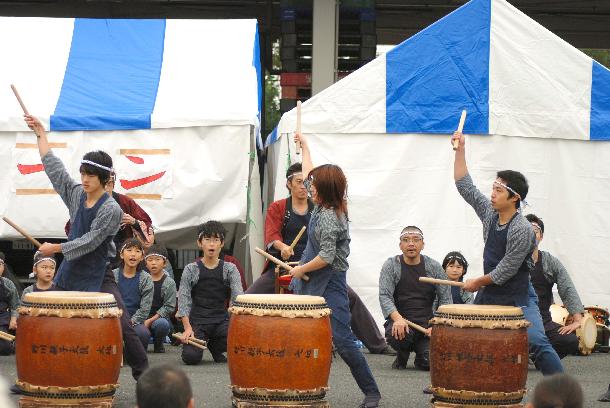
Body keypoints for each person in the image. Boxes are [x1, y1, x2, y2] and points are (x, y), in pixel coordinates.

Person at [24, 114, 148, 380]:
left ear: (105, 180)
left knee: (123, 324)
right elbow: (54, 169)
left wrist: (55, 249)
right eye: (83, 173)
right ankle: (37, 377)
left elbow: (91, 242)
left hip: (98, 274)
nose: (85, 179)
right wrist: (40, 135)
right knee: (45, 320)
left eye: (91, 175)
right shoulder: (77, 194)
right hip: (70, 272)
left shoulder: (111, 209)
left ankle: (147, 378)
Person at [247, 163, 392, 355]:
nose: (302, 186)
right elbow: (271, 235)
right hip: (286, 267)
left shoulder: (318, 208)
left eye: (304, 183)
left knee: (352, 298)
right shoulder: (279, 207)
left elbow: (326, 253)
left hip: (318, 268)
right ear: (288, 184)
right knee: (248, 297)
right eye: (298, 182)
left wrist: (306, 146)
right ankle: (235, 338)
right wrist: (282, 248)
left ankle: (377, 344)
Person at [451, 130, 563, 375]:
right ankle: (455, 383)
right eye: (492, 188)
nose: (492, 194)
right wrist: (461, 149)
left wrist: (475, 283)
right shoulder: (491, 215)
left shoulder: (523, 229)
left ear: (514, 198)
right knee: (463, 337)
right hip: (491, 293)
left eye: (498, 191)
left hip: (518, 296)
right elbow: (465, 186)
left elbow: (504, 271)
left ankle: (563, 390)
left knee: (536, 342)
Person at [291, 133, 381, 408]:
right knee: (302, 335)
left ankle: (372, 392)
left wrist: (300, 269)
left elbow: (326, 258)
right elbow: (308, 173)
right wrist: (305, 145)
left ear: (325, 190)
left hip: (329, 282)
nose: (308, 188)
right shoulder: (322, 202)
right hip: (312, 278)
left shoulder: (331, 217)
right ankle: (302, 386)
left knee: (342, 340)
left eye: (314, 186)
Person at [379, 226, 452, 371]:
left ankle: (421, 356)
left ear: (423, 244)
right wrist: (398, 319)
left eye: (416, 240)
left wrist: (437, 325)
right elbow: (384, 296)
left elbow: (446, 299)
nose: (411, 244)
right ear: (400, 245)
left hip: (426, 326)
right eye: (406, 240)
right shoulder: (391, 265)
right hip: (402, 323)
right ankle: (402, 352)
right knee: (398, 336)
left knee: (429, 364)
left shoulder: (434, 266)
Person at [177, 221, 243, 365]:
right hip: (198, 321)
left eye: (216, 240)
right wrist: (187, 328)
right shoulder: (191, 269)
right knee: (191, 358)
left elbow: (237, 297)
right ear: (200, 243)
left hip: (221, 320)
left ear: (222, 243)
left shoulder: (230, 268)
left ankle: (215, 346)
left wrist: (234, 318)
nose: (212, 244)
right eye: (207, 239)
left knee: (240, 340)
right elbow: (183, 299)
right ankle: (202, 343)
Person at [525, 214, 583, 359]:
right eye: (526, 231)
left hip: (543, 322)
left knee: (569, 340)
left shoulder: (550, 262)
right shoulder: (509, 258)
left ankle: (540, 358)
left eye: (535, 231)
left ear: (541, 236)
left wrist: (577, 320)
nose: (531, 235)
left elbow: (567, 287)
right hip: (514, 322)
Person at [113, 238, 154, 351]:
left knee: (143, 333)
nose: (133, 254)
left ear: (142, 257)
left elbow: (145, 309)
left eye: (137, 251)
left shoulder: (146, 279)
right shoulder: (112, 276)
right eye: (129, 250)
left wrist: (131, 322)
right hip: (114, 319)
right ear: (121, 254)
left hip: (134, 322)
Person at [142, 244, 177, 353]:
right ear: (146, 263)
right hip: (141, 316)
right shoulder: (141, 279)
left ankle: (159, 343)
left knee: (162, 325)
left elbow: (169, 307)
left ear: (164, 263)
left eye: (157, 259)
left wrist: (150, 320)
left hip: (159, 318)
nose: (153, 263)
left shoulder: (169, 282)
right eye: (150, 260)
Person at [0, 252, 18, 355]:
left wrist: (14, 319)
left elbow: (15, 305)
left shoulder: (7, 284)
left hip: (2, 319)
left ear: (3, 267)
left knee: (5, 348)